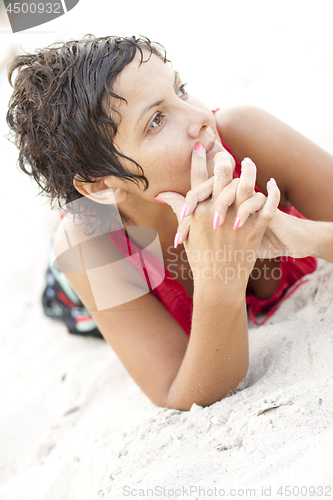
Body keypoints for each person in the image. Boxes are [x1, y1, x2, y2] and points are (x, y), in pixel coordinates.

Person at [7, 35, 333, 411]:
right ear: (102, 184)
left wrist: (307, 237)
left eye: (182, 89)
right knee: (63, 233)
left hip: (114, 197)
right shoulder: (89, 244)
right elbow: (179, 393)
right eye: (157, 120)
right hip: (94, 251)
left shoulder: (243, 132)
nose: (200, 118)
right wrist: (219, 279)